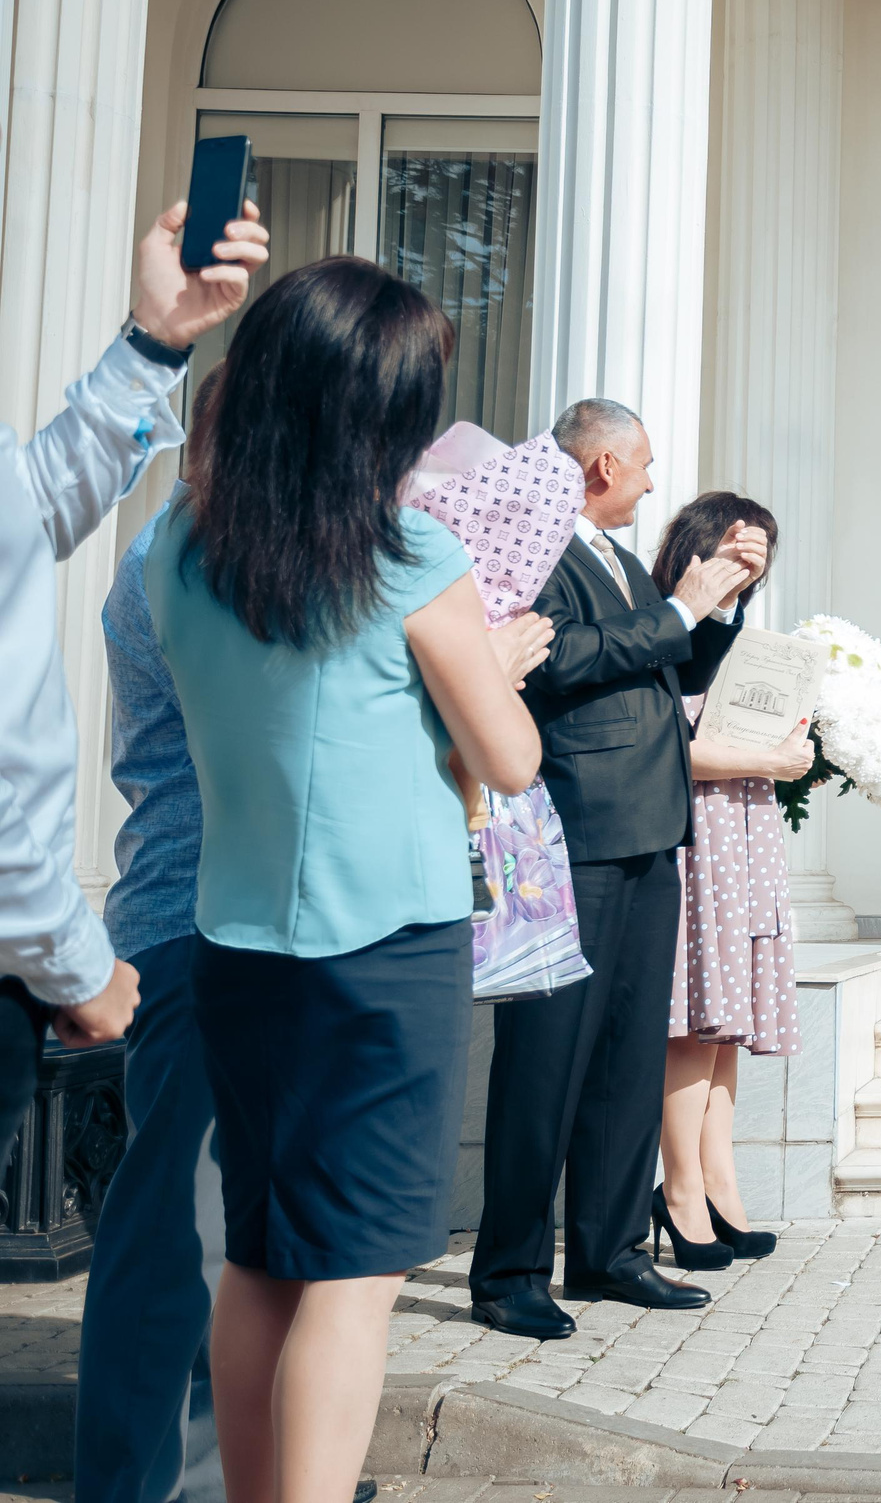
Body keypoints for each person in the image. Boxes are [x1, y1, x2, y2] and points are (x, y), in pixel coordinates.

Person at [146, 256, 552, 1503]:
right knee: (358, 1271)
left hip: (238, 938)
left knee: (263, 1258)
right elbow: (509, 757)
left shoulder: (180, 544)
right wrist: (498, 654)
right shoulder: (408, 554)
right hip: (384, 952)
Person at [469, 399, 759, 1339]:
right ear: (600, 464)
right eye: (639, 465)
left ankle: (608, 1250)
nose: (647, 480)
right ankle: (510, 1269)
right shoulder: (542, 547)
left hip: (650, 831)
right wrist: (678, 608)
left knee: (628, 1054)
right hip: (580, 831)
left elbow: (667, 664)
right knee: (546, 1060)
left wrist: (721, 608)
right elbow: (561, 662)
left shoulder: (623, 559)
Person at [0, 199, 265, 1150]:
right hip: (162, 923)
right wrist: (72, 963)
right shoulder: (189, 552)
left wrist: (157, 339)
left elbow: (29, 513)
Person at [75, 373, 228, 1503]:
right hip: (189, 918)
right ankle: (136, 1482)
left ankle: (236, 1472)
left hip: (231, 917)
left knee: (230, 1227)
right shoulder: (177, 557)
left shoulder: (198, 548)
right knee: (179, 1225)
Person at [657, 492, 807, 1268]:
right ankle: (681, 1190)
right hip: (699, 830)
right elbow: (664, 747)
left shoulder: (738, 631)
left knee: (726, 1029)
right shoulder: (669, 625)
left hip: (743, 827)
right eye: (738, 549)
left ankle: (719, 1185)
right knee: (695, 1021)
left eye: (762, 555)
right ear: (700, 544)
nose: (750, 566)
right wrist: (768, 760)